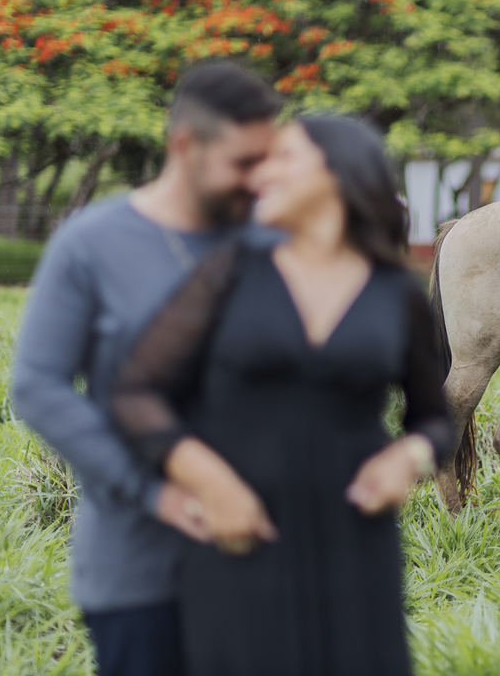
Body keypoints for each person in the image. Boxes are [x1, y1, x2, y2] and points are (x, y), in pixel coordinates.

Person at [108, 115, 455, 676]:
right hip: (238, 530)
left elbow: (436, 421)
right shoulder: (226, 272)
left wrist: (407, 458)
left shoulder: (396, 293)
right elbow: (134, 393)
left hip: (355, 538)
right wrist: (207, 480)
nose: (262, 172)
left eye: (284, 157)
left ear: (339, 174)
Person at [12, 60, 283, 676]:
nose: (258, 179)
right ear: (184, 145)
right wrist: (153, 492)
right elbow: (38, 385)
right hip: (140, 567)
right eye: (243, 162)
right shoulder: (91, 244)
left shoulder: (269, 245)